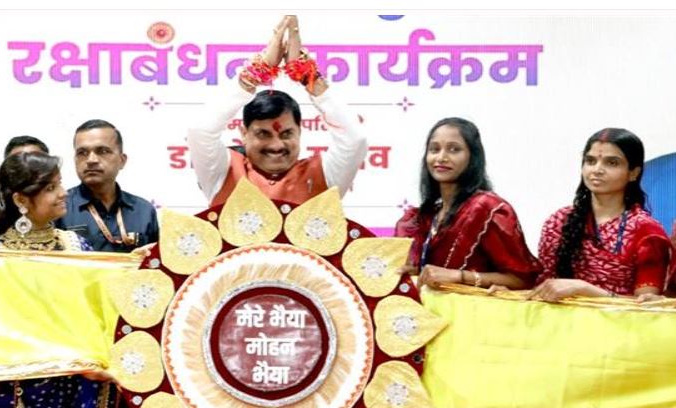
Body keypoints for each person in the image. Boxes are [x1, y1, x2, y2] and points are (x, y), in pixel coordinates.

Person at [0, 151, 117, 407]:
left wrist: (142, 263)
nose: (63, 193)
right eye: (51, 188)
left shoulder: (77, 247)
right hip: (11, 386)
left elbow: (100, 311)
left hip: (76, 381)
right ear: (21, 199)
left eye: (60, 184)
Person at [187, 15, 368, 206]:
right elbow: (200, 131)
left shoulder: (325, 176)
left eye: (286, 134)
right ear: (244, 134)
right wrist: (255, 73)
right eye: (263, 134)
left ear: (299, 132)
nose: (276, 145)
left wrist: (310, 78)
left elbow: (355, 140)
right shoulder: (222, 172)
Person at [395, 117, 540, 289]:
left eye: (454, 149)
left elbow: (522, 280)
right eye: (434, 149)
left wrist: (460, 276)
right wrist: (415, 273)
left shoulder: (488, 209)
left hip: (473, 306)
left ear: (473, 157)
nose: (441, 157)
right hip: (429, 306)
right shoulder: (424, 218)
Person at [531, 128, 674, 301]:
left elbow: (647, 304)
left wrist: (584, 289)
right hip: (556, 316)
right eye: (590, 161)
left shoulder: (646, 231)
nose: (597, 170)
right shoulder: (559, 221)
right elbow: (543, 287)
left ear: (633, 173)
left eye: (612, 163)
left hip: (620, 318)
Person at [56, 119, 159, 253]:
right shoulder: (59, 207)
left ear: (122, 160)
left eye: (102, 151)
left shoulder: (143, 210)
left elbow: (156, 262)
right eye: (82, 153)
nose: (91, 160)